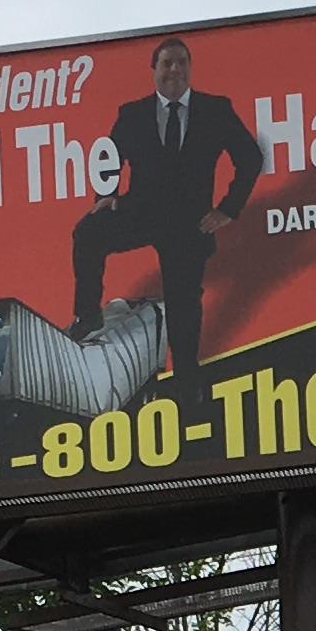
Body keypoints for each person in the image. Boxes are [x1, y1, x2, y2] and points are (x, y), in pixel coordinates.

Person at [69, 35, 262, 386]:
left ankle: (188, 381)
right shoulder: (132, 113)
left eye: (181, 62)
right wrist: (107, 194)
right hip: (140, 209)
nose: (174, 70)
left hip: (189, 222)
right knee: (88, 232)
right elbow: (108, 159)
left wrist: (227, 211)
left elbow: (250, 157)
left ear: (190, 68)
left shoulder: (215, 109)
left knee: (183, 303)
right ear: (154, 70)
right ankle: (88, 315)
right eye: (167, 63)